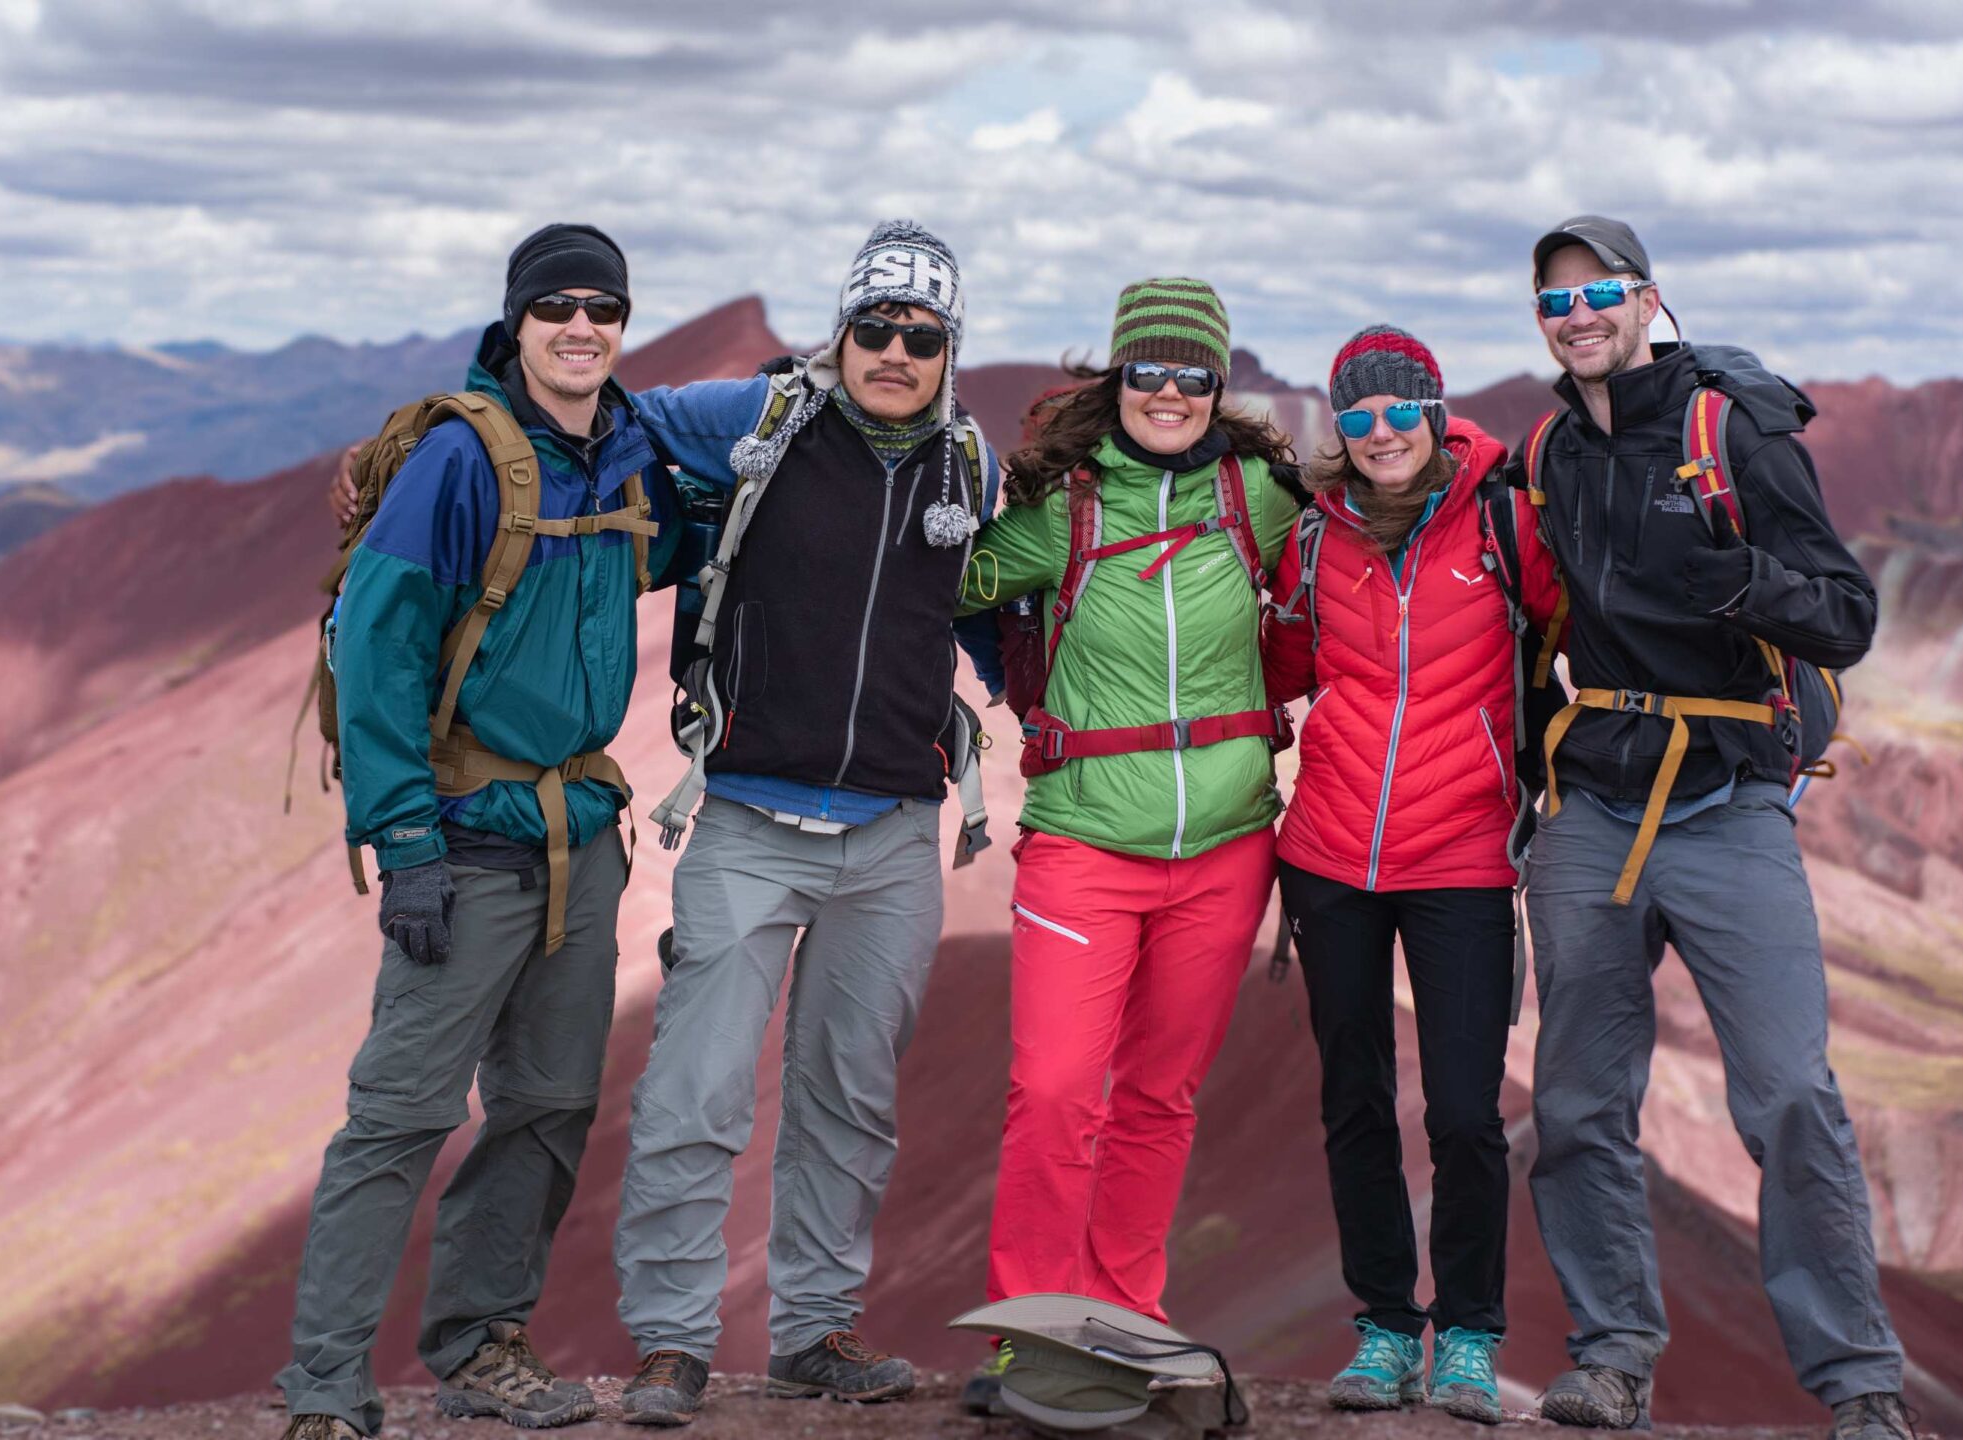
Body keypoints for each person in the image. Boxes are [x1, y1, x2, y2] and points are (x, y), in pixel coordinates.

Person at [275, 223, 682, 1440]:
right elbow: (380, 641)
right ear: (516, 324)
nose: (580, 327)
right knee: (399, 1116)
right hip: (458, 841)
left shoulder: (629, 453)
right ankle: (326, 1390)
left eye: (602, 308)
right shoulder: (460, 465)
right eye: (555, 305)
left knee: (551, 1104)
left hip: (578, 838)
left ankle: (479, 1344)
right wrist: (403, 843)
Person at [1512, 216, 1911, 1440]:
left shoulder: (1730, 429)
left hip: (1728, 801)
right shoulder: (1546, 450)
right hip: (1593, 807)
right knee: (1578, 1103)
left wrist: (1737, 579)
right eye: (1555, 300)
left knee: (1788, 1092)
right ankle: (1614, 1355)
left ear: (1647, 301)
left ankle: (1859, 1390)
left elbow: (1843, 615)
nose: (1578, 316)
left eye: (1601, 293)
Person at [604, 220, 999, 1427]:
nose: (892, 350)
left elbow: (983, 612)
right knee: (696, 1089)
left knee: (847, 1096)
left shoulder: (966, 469)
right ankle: (670, 1343)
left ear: (949, 347)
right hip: (747, 816)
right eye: (872, 326)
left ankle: (813, 1331)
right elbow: (610, 417)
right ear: (841, 330)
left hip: (892, 832)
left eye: (919, 335)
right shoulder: (763, 421)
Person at [954, 279, 1297, 1406]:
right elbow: (944, 580)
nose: (1169, 391)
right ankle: (1033, 1333)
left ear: (1219, 385)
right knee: (1055, 1089)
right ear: (1118, 378)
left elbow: (1382, 529)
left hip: (1228, 850)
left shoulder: (1261, 497)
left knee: (1158, 1096)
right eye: (1147, 369)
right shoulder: (1068, 506)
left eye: (1192, 373)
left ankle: (1126, 1316)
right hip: (1086, 842)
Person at [1259, 325, 1560, 1425]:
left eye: (1398, 410)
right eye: (1356, 415)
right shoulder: (1310, 539)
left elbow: (1570, 627)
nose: (1378, 433)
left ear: (1434, 413)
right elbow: (1286, 668)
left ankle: (1468, 1336)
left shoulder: (1499, 517)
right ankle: (1385, 1329)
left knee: (1470, 1113)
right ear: (1336, 427)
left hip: (1463, 858)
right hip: (1330, 858)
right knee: (1353, 1103)